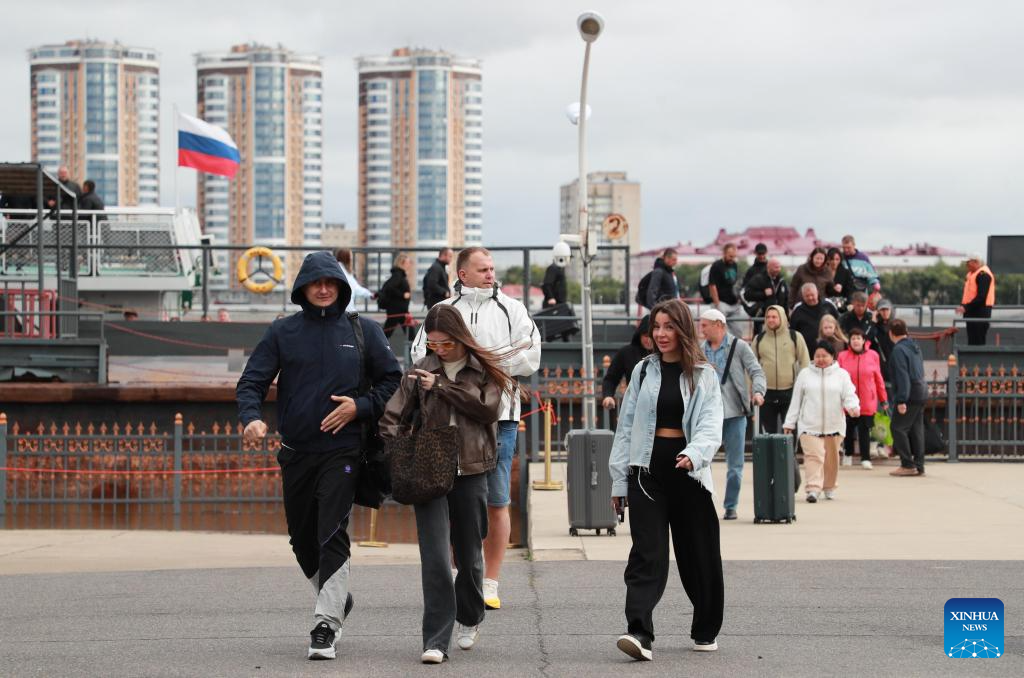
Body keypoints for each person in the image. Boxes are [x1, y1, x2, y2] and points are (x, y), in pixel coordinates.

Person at [236, 250, 402, 660]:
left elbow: (393, 381)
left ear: (342, 288)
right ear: (303, 289)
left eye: (331, 283)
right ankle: (337, 596)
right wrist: (251, 419)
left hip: (344, 452)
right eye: (316, 284)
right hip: (296, 453)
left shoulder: (363, 329)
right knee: (302, 540)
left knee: (332, 532)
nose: (324, 289)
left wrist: (358, 407)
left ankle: (325, 624)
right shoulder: (282, 333)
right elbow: (251, 382)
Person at [380, 305, 515, 664]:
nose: (439, 350)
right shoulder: (419, 369)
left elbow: (487, 410)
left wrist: (441, 386)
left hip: (472, 468)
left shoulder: (482, 369)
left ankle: (469, 616)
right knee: (436, 557)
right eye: (434, 344)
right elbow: (393, 414)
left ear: (460, 339)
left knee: (469, 553)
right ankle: (435, 639)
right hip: (428, 469)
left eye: (446, 344)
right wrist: (394, 450)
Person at [410, 246, 541, 611]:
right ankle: (460, 576)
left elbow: (532, 353)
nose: (490, 274)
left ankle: (489, 581)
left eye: (492, 268)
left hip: (501, 418)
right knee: (455, 503)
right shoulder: (443, 311)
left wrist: (478, 361)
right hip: (450, 421)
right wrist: (491, 360)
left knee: (497, 500)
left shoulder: (512, 309)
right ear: (462, 274)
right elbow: (422, 353)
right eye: (482, 269)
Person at [609, 299, 725, 661]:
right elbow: (626, 428)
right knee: (648, 553)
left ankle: (705, 628)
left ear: (683, 329)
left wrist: (696, 452)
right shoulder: (643, 371)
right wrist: (619, 481)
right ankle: (639, 632)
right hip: (646, 473)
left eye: (668, 326)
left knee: (698, 555)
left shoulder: (704, 374)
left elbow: (711, 422)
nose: (660, 334)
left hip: (688, 472)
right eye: (656, 327)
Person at [700, 308, 766, 520]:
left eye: (705, 325)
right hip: (708, 414)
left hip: (735, 411)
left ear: (718, 325)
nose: (702, 330)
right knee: (702, 462)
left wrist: (757, 391)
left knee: (735, 465)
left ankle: (730, 505)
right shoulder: (700, 350)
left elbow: (756, 371)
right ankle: (704, 503)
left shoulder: (739, 347)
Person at [784, 341, 860, 502]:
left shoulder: (841, 375)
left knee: (831, 459)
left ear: (832, 357)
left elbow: (849, 394)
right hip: (809, 425)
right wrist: (789, 423)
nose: (821, 359)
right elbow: (796, 400)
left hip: (834, 425)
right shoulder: (805, 374)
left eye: (824, 356)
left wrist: (853, 407)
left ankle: (829, 486)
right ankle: (813, 488)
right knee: (814, 457)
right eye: (817, 356)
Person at [752, 305, 810, 434]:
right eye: (768, 317)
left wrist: (805, 388)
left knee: (789, 433)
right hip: (765, 394)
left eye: (774, 317)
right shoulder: (759, 339)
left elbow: (805, 363)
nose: (770, 320)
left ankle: (789, 455)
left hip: (790, 392)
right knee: (768, 434)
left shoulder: (795, 337)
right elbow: (751, 367)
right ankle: (769, 455)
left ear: (782, 318)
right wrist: (752, 392)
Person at [837, 327, 887, 469]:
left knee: (865, 430)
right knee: (848, 429)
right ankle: (848, 455)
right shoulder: (842, 356)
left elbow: (878, 379)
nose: (856, 341)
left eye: (858, 338)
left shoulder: (873, 355)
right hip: (848, 400)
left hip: (867, 400)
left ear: (864, 340)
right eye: (853, 338)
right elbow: (838, 378)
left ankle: (866, 458)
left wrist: (883, 399)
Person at [888, 319, 928, 477]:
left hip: (909, 393)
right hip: (921, 390)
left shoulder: (898, 350)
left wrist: (901, 399)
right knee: (916, 430)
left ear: (891, 333)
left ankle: (907, 464)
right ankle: (919, 465)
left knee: (897, 427)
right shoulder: (915, 347)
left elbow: (902, 375)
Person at [602, 315, 653, 410]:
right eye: (646, 336)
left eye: (651, 336)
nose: (649, 340)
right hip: (635, 406)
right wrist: (608, 395)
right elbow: (611, 378)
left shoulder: (666, 354)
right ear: (639, 335)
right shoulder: (626, 353)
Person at [708, 243, 748, 337]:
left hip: (734, 304)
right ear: (724, 254)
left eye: (734, 256)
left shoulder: (734, 265)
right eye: (730, 256)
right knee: (720, 333)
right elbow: (712, 285)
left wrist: (738, 298)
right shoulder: (717, 266)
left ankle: (736, 350)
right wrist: (717, 304)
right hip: (722, 303)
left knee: (738, 332)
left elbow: (735, 284)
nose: (732, 259)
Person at [741, 257, 788, 335]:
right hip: (762, 318)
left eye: (779, 267)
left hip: (779, 318)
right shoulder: (758, 279)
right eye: (776, 267)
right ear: (768, 267)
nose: (778, 269)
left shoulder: (781, 280)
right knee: (760, 339)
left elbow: (786, 299)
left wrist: (786, 317)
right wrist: (763, 294)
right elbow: (747, 294)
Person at [957, 253, 995, 346]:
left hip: (980, 313)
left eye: (968, 262)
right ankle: (973, 360)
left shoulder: (983, 275)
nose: (966, 265)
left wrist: (966, 307)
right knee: (972, 341)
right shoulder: (972, 274)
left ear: (976, 262)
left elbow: (981, 297)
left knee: (978, 342)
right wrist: (964, 306)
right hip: (972, 313)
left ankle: (979, 360)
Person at [789, 283, 839, 354]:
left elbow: (839, 325)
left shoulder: (828, 305)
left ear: (817, 292)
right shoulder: (797, 310)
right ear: (802, 296)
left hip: (829, 350)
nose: (810, 298)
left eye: (812, 295)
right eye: (807, 296)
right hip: (806, 351)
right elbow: (792, 332)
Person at [378, 253, 413, 340]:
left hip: (401, 311)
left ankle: (413, 352)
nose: (410, 265)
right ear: (402, 263)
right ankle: (374, 350)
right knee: (386, 334)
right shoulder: (398, 275)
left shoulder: (399, 275)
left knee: (410, 333)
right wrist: (403, 295)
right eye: (408, 263)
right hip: (396, 311)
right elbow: (390, 288)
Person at [334, 248, 374, 313]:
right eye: (351, 256)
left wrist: (370, 295)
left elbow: (356, 288)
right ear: (347, 258)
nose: (352, 259)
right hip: (348, 311)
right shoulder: (345, 273)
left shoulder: (338, 269)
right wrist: (370, 295)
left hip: (342, 310)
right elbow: (356, 288)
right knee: (358, 321)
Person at [872, 299, 896, 382]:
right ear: (878, 312)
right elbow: (868, 338)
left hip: (894, 362)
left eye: (887, 309)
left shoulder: (895, 325)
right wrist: (873, 322)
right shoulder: (875, 326)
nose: (885, 312)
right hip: (879, 363)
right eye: (882, 310)